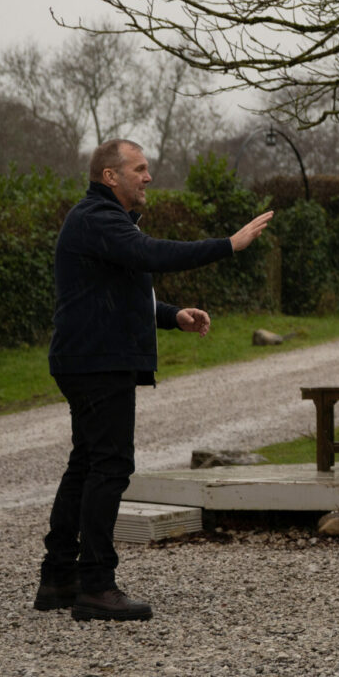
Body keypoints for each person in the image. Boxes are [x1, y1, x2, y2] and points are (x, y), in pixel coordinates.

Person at [34, 139, 274, 621]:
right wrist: (230, 244)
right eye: (139, 169)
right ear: (110, 176)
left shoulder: (104, 222)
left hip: (89, 359)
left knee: (87, 465)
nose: (148, 177)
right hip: (97, 363)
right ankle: (96, 586)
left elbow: (114, 290)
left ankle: (60, 577)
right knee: (110, 467)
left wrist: (170, 315)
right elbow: (152, 255)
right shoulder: (97, 219)